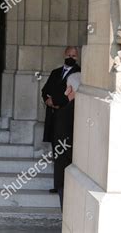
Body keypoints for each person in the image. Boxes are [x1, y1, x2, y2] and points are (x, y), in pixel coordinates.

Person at [41, 46, 81, 193]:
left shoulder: (79, 73)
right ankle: (58, 184)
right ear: (64, 55)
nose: (71, 57)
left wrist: (55, 101)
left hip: (66, 118)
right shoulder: (55, 72)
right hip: (53, 117)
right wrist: (47, 100)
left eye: (74, 55)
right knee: (56, 151)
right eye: (69, 54)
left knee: (65, 152)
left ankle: (65, 186)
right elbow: (45, 90)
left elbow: (71, 95)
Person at [53, 72, 80, 209]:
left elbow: (62, 144)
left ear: (70, 89)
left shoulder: (65, 113)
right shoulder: (82, 109)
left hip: (66, 170)